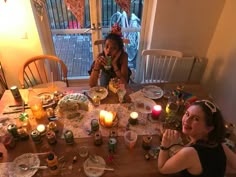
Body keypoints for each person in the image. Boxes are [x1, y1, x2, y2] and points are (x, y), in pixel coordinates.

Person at [158, 99, 236, 177]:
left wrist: (165, 145)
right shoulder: (218, 143)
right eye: (187, 114)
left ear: (209, 128)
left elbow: (162, 168)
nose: (187, 120)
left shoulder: (190, 153)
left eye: (196, 119)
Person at [88, 23, 131, 87]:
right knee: (104, 78)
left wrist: (114, 64)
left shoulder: (123, 56)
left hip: (119, 78)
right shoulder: (101, 57)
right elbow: (92, 85)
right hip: (106, 75)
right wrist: (97, 66)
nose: (109, 50)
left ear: (119, 50)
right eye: (107, 46)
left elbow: (124, 84)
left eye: (114, 48)